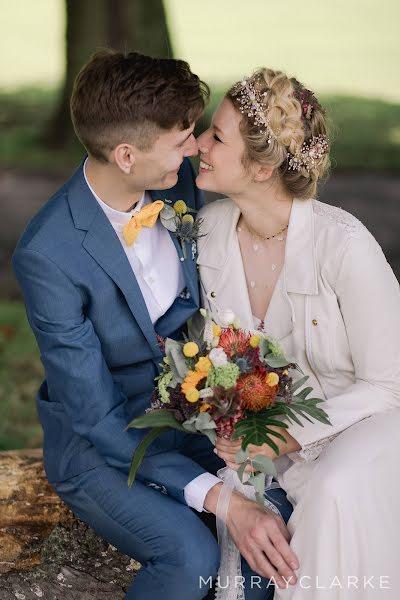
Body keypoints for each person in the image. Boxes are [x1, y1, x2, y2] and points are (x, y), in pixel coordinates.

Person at [13, 50, 299, 600]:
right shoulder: (47, 255)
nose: (195, 148)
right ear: (126, 155)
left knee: (273, 519)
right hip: (101, 441)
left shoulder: (179, 182)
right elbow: (95, 415)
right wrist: (220, 500)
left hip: (189, 415)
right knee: (190, 554)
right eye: (182, 137)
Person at [195, 68, 400, 599]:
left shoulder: (345, 246)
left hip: (367, 424)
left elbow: (389, 385)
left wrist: (284, 435)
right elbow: (219, 358)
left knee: (334, 490)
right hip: (268, 437)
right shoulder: (211, 230)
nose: (199, 144)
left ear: (262, 167)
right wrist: (230, 420)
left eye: (216, 137)